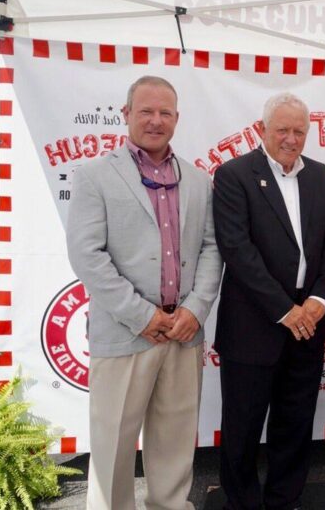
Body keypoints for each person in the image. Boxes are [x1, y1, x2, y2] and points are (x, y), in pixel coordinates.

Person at [66, 75, 221, 510]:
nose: (156, 120)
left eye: (165, 112)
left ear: (177, 119)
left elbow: (212, 248)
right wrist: (143, 316)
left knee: (174, 441)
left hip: (183, 332)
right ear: (126, 115)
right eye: (146, 111)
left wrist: (196, 309)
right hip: (126, 333)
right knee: (113, 442)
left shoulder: (197, 180)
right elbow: (87, 255)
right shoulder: (95, 175)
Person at [212, 92, 325, 510]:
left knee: (295, 424)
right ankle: (243, 504)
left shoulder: (319, 175)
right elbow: (237, 249)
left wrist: (319, 301)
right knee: (243, 428)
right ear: (262, 130)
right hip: (254, 327)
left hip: (309, 323)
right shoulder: (234, 174)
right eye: (282, 130)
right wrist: (287, 311)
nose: (291, 138)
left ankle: (284, 500)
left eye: (299, 131)